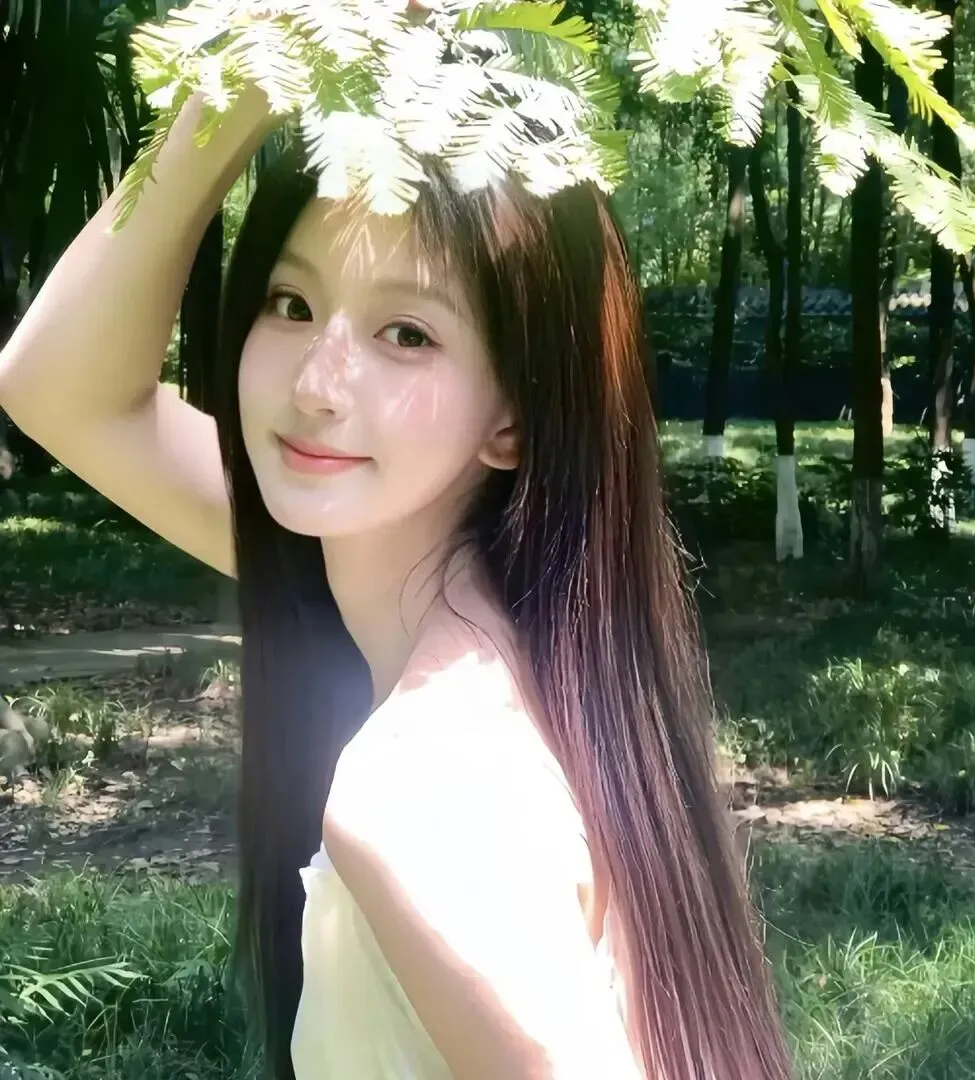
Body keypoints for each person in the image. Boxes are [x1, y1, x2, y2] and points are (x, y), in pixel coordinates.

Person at [0, 83, 792, 1080]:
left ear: (513, 417)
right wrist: (250, 75)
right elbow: (53, 389)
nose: (316, 386)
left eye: (407, 334)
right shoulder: (489, 610)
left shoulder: (423, 787)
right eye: (292, 304)